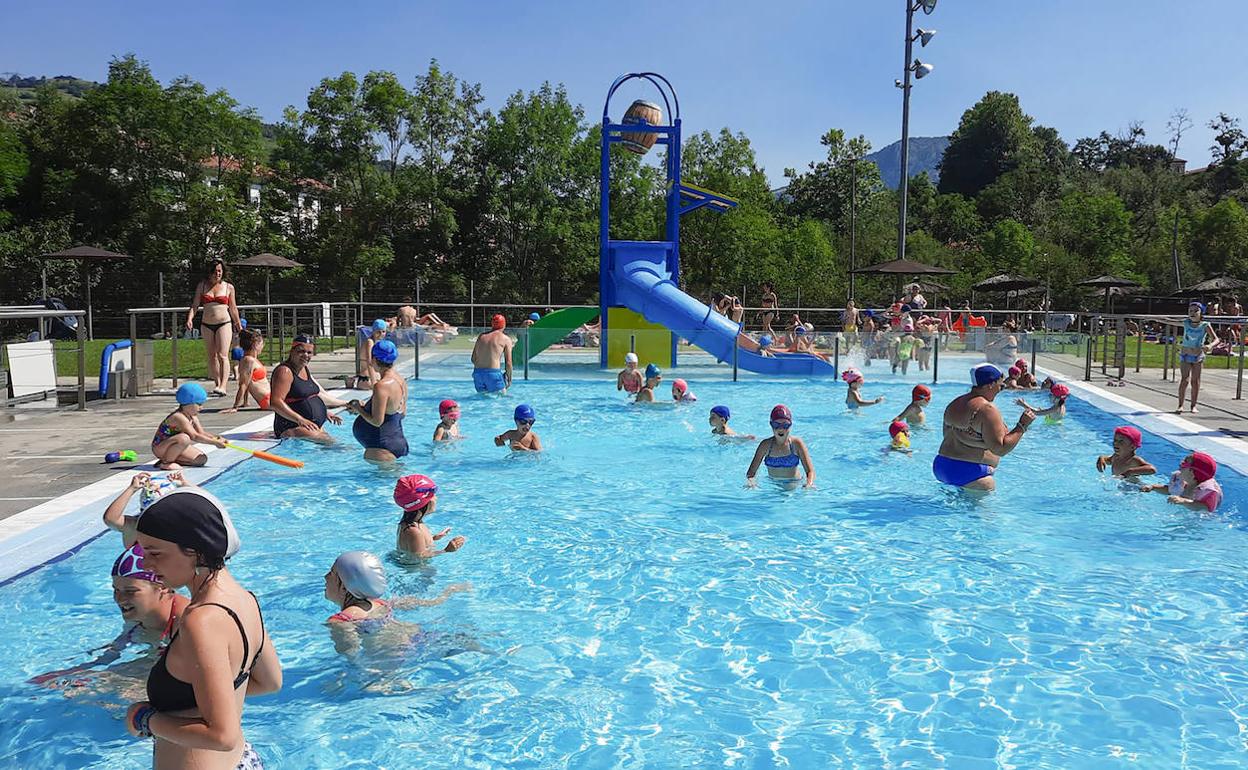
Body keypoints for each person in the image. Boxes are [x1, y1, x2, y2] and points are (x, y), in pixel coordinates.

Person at [126, 488, 282, 770]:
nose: (146, 564)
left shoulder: (201, 620)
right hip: (242, 761)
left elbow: (222, 736)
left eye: (155, 553)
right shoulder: (245, 599)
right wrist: (214, 695)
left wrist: (145, 719)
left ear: (195, 551)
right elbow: (270, 682)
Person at [31, 543, 192, 689]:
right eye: (116, 590)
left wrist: (103, 680)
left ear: (164, 587)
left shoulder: (187, 623)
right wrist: (73, 672)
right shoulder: (139, 614)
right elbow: (114, 650)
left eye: (130, 591)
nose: (120, 599)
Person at [324, 551, 470, 655]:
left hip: (391, 654)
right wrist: (446, 593)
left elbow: (350, 655)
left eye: (331, 573)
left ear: (344, 586)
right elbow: (420, 603)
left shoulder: (341, 621)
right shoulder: (380, 603)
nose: (325, 577)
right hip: (420, 637)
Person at [934, 363, 1036, 491]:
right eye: (1001, 385)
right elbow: (1000, 449)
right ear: (991, 384)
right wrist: (1022, 425)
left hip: (941, 466)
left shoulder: (954, 403)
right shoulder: (987, 409)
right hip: (971, 474)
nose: (1000, 389)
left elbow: (948, 435)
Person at [271, 334, 347, 443]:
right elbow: (275, 402)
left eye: (309, 352)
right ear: (292, 351)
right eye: (301, 351)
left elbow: (307, 396)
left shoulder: (304, 368)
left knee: (332, 445)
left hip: (309, 425)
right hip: (292, 426)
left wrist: (324, 412)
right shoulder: (285, 371)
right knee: (336, 447)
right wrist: (300, 419)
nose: (305, 355)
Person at [184, 260, 241, 398]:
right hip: (207, 324)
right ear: (210, 272)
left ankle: (223, 385)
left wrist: (238, 323)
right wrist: (190, 318)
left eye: (220, 271)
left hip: (224, 323)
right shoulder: (202, 285)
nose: (218, 274)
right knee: (212, 355)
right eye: (215, 271)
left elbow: (233, 308)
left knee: (222, 355)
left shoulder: (228, 287)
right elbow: (195, 305)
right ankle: (218, 383)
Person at [347, 340, 409, 462]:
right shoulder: (401, 381)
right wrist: (367, 407)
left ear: (374, 359)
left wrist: (358, 407)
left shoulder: (381, 386)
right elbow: (402, 413)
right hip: (397, 442)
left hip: (381, 447)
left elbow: (377, 421)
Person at [151, 384, 228, 470]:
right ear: (189, 403)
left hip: (174, 446)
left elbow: (201, 433)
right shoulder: (178, 417)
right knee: (184, 438)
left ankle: (167, 459)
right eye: (199, 404)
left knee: (201, 460)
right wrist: (215, 443)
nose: (201, 408)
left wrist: (216, 439)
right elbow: (194, 436)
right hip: (160, 447)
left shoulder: (193, 416)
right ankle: (166, 463)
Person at [104, 472, 189, 546]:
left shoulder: (135, 527)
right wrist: (132, 489)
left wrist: (132, 489)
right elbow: (110, 519)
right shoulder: (135, 527)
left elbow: (110, 519)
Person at [393, 475, 466, 558]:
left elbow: (413, 545)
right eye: (432, 496)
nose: (436, 498)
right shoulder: (413, 531)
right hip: (412, 565)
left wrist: (433, 538)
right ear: (422, 503)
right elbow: (419, 557)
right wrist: (446, 550)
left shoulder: (413, 522)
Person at [745, 405, 815, 488]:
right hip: (772, 485)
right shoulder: (765, 445)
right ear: (771, 425)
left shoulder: (796, 444)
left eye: (785, 425)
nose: (780, 429)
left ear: (790, 425)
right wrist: (751, 483)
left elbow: (810, 471)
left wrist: (809, 484)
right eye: (776, 425)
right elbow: (751, 472)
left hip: (794, 485)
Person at [1140, 452, 1223, 513]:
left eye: (1184, 464)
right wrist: (1153, 487)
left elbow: (1203, 507)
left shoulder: (1205, 491)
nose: (1180, 465)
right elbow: (1169, 490)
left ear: (1192, 473)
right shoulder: (1184, 483)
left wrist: (1183, 501)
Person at [1177, 301, 1220, 414]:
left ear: (1201, 313)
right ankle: (1180, 405)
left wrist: (1210, 346)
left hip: (1197, 356)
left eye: (1196, 311)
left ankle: (1193, 405)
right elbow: (1169, 321)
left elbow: (1216, 339)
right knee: (1184, 380)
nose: (1193, 313)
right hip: (1185, 354)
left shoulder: (1205, 325)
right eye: (1190, 311)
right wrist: (1156, 319)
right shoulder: (1186, 323)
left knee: (1195, 381)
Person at [222, 330, 270, 414]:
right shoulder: (248, 361)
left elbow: (248, 382)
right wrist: (235, 407)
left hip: (270, 397)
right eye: (261, 344)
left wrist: (245, 402)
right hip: (267, 399)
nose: (262, 346)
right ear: (255, 345)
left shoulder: (251, 360)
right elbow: (243, 384)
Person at [471, 314, 514, 394]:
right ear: (504, 325)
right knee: (501, 397)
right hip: (493, 373)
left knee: (482, 398)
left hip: (478, 374)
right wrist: (509, 378)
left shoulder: (481, 336)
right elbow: (508, 363)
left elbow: (473, 359)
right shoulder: (506, 339)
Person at [351, 319, 389, 390]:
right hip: (366, 380)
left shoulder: (376, 342)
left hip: (371, 377)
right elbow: (369, 363)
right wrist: (374, 383)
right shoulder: (370, 342)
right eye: (378, 332)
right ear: (373, 331)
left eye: (383, 332)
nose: (381, 334)